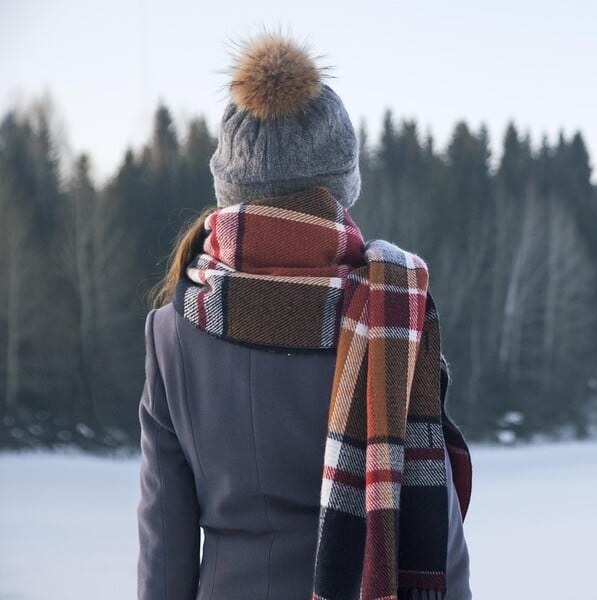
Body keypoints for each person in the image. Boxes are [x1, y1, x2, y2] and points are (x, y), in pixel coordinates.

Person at [137, 33, 472, 600]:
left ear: (229, 191)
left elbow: (163, 550)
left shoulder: (173, 331)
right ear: (342, 186)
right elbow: (434, 532)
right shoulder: (388, 317)